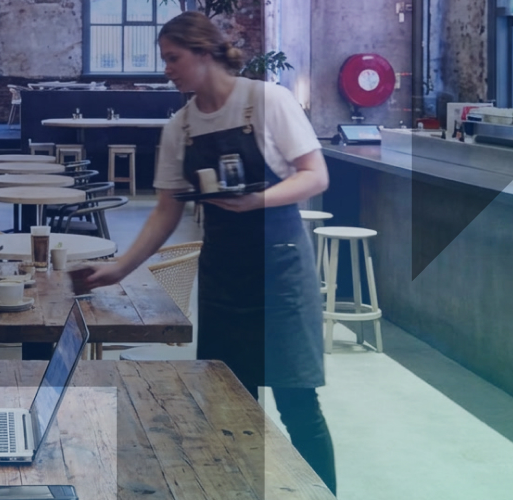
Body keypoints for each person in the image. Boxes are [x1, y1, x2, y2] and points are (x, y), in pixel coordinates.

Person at [75, 11, 337, 493]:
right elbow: (165, 212)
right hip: (222, 279)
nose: (167, 69)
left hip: (280, 274)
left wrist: (255, 200)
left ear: (203, 52)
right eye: (164, 60)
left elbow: (315, 175)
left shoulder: (267, 101)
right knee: (230, 403)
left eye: (173, 58)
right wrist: (119, 268)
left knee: (298, 402)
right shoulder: (181, 127)